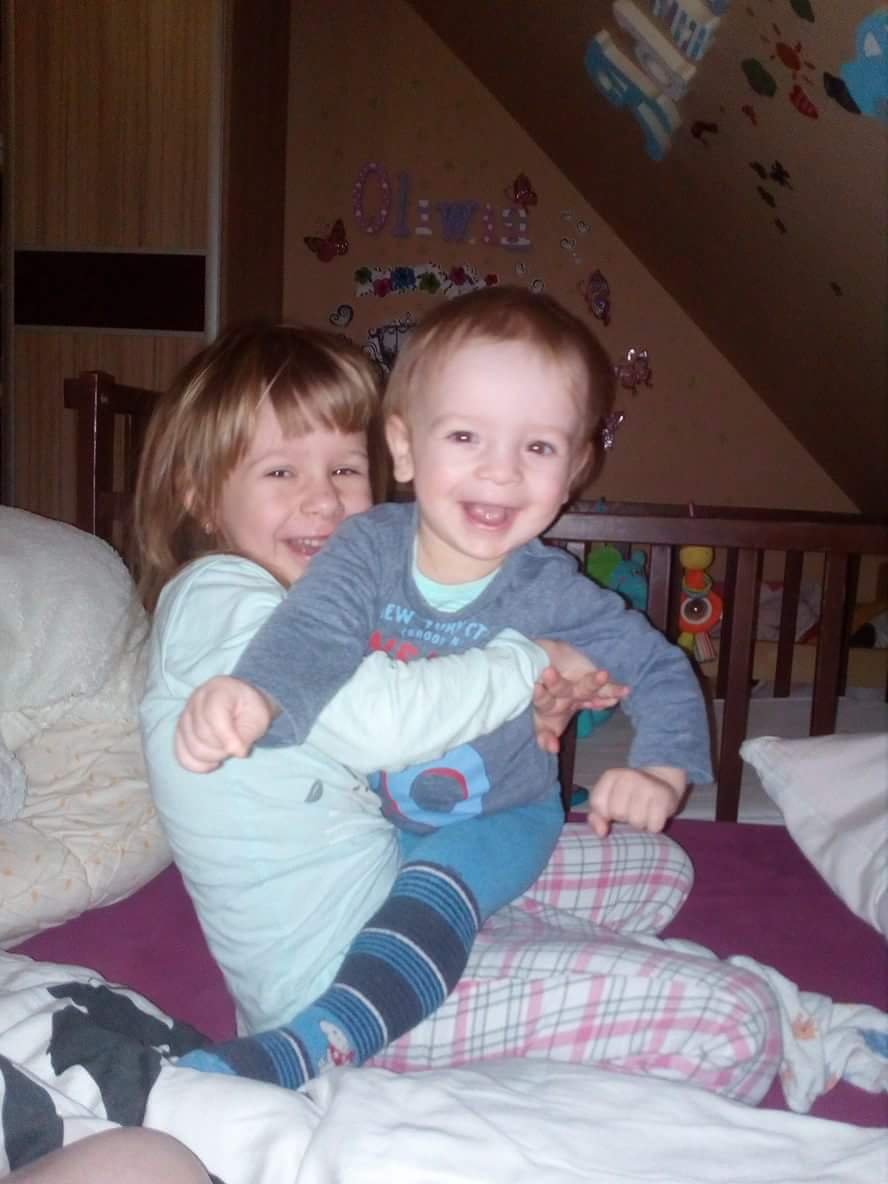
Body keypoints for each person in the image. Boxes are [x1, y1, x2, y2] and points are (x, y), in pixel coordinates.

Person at [173, 290, 781, 1101]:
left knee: (447, 886)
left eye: (538, 446)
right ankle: (357, 1016)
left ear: (575, 470)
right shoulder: (365, 548)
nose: (501, 470)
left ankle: (342, 1025)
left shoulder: (551, 591)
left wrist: (661, 769)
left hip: (504, 818)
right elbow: (314, 630)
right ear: (404, 446)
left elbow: (661, 669)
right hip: (387, 825)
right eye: (466, 436)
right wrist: (260, 694)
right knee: (481, 890)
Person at [137, 322, 625, 1044]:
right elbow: (383, 724)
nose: (323, 501)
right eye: (280, 473)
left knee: (655, 869)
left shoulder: (322, 601)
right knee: (730, 1016)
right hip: (346, 986)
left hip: (396, 895)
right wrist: (528, 660)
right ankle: (322, 1061)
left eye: (344, 469)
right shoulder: (218, 596)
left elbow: (429, 721)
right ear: (202, 497)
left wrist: (540, 702)